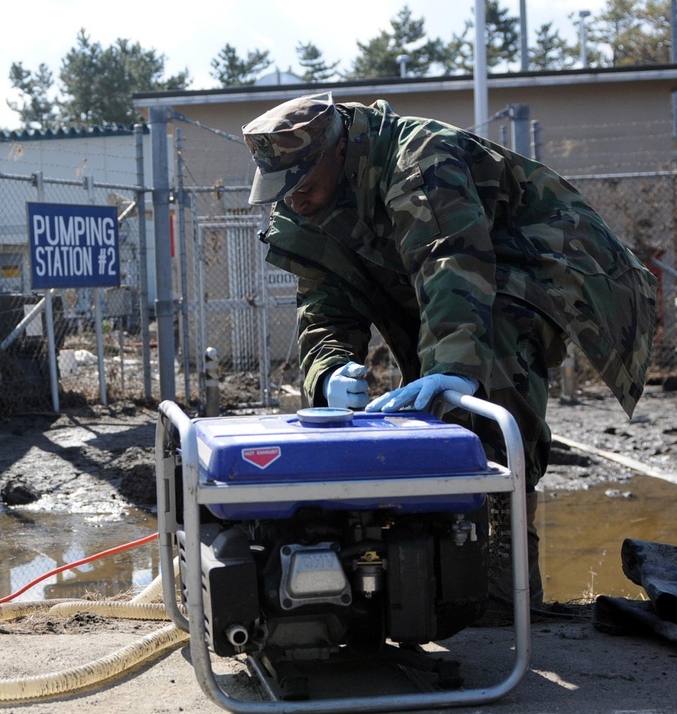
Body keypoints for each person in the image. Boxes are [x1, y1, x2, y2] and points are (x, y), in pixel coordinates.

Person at [242, 92, 658, 608]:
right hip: (447, 299)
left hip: (545, 273)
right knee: (427, 410)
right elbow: (324, 308)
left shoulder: (420, 157)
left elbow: (451, 260)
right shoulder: (306, 208)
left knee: (488, 383)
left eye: (303, 184)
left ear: (337, 149)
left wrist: (454, 368)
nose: (295, 200)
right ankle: (435, 578)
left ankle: (506, 584)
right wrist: (328, 373)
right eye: (284, 191)